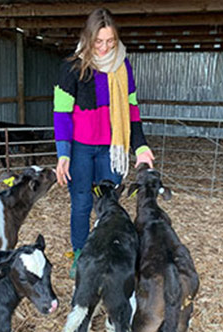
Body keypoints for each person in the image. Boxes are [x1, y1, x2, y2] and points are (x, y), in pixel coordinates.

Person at [53, 8, 154, 278]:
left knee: (110, 204)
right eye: (98, 41)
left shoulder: (123, 67)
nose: (104, 48)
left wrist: (141, 146)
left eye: (110, 41)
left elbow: (131, 109)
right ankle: (80, 255)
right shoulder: (72, 67)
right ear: (88, 38)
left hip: (113, 149)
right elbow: (62, 114)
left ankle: (108, 251)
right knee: (82, 204)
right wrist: (63, 154)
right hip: (81, 149)